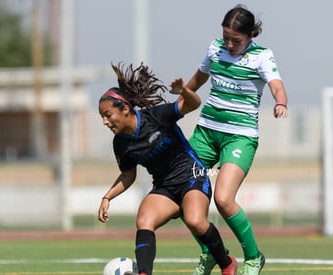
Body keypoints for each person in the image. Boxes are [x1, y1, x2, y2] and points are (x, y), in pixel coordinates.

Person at [97, 62, 238, 275]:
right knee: (144, 220)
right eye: (102, 117)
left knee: (195, 222)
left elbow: (193, 104)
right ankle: (144, 273)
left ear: (125, 109)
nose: (105, 122)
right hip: (165, 187)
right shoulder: (120, 143)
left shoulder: (155, 117)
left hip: (192, 177)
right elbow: (128, 174)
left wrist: (184, 91)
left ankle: (227, 264)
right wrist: (107, 197)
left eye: (108, 115)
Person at [186, 5, 289, 275]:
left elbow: (276, 84)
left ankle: (253, 258)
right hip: (206, 132)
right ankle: (210, 253)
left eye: (236, 40)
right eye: (226, 37)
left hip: (240, 137)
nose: (229, 44)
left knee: (222, 198)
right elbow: (199, 77)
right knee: (182, 194)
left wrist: (280, 102)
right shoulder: (215, 48)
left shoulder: (261, 56)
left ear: (251, 34)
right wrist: (178, 101)